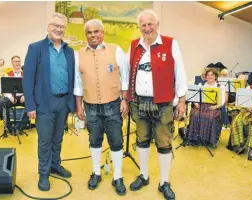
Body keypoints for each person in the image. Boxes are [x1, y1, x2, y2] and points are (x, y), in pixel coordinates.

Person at [126, 9, 187, 200]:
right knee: (141, 140)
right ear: (139, 27)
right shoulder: (134, 45)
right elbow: (126, 74)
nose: (147, 28)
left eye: (150, 24)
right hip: (138, 102)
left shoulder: (170, 43)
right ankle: (143, 175)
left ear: (157, 24)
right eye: (143, 25)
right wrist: (125, 99)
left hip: (164, 104)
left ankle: (164, 182)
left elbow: (180, 72)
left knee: (163, 143)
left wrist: (182, 101)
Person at [74, 19, 129, 195]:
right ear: (86, 35)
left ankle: (118, 176)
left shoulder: (116, 50)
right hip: (90, 105)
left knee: (116, 140)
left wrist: (124, 100)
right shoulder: (78, 54)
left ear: (102, 32)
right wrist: (79, 106)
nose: (93, 35)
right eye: (89, 32)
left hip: (113, 103)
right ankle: (96, 173)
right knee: (94, 140)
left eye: (96, 31)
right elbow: (77, 83)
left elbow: (125, 78)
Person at [23, 13, 75, 191]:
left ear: (65, 29)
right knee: (45, 141)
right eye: (55, 25)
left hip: (63, 102)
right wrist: (30, 105)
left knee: (58, 139)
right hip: (44, 103)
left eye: (61, 26)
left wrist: (72, 104)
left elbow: (72, 77)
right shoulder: (35, 48)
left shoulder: (69, 51)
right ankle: (43, 174)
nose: (58, 29)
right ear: (48, 27)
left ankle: (55, 165)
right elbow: (28, 79)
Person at [186, 68, 228, 147]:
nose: (209, 76)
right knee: (195, 114)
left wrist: (215, 106)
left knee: (211, 116)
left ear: (215, 76)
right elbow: (195, 97)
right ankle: (195, 138)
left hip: (214, 107)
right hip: (202, 105)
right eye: (208, 75)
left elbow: (222, 102)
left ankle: (209, 140)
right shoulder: (202, 85)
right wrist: (196, 104)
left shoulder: (220, 86)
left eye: (211, 75)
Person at [0, 55, 28, 132]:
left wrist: (25, 96)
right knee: (4, 103)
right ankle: (9, 127)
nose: (17, 63)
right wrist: (10, 97)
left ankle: (21, 126)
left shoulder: (26, 75)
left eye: (19, 61)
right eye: (15, 61)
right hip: (12, 98)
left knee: (30, 103)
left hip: (22, 97)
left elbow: (30, 87)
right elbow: (5, 90)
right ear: (12, 63)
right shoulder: (7, 75)